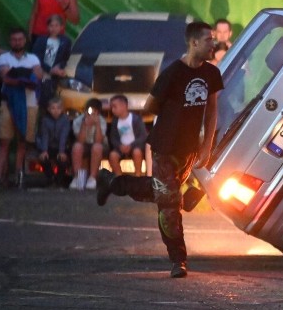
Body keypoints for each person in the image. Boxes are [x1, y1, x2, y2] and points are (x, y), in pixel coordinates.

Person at [95, 21, 223, 278]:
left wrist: (206, 145)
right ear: (194, 43)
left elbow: (211, 111)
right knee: (169, 204)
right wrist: (174, 113)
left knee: (163, 192)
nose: (214, 44)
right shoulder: (172, 73)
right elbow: (149, 107)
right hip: (165, 146)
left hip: (188, 149)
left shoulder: (211, 73)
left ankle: (111, 183)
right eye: (209, 39)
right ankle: (178, 259)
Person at [0, 28, 43, 188]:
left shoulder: (33, 57)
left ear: (24, 41)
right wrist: (26, 76)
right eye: (14, 39)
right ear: (10, 41)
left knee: (23, 142)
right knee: (4, 141)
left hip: (30, 103)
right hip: (8, 103)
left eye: (20, 39)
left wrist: (18, 75)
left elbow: (39, 76)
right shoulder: (3, 57)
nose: (17, 42)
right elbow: (6, 77)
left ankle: (18, 177)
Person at [31, 14, 72, 108]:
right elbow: (36, 57)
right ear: (47, 27)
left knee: (53, 101)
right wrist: (50, 69)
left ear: (61, 27)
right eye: (51, 26)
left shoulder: (65, 41)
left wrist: (59, 67)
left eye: (56, 25)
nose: (54, 28)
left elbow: (66, 58)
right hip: (42, 75)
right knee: (40, 102)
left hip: (55, 77)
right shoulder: (41, 40)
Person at [70, 98, 107, 190]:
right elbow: (80, 141)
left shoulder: (102, 121)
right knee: (77, 147)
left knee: (97, 147)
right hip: (84, 144)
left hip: (99, 145)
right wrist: (84, 125)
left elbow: (99, 140)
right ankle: (77, 177)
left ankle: (92, 178)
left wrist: (97, 124)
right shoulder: (78, 121)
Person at [107, 94, 148, 177]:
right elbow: (113, 138)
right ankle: (119, 177)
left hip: (135, 146)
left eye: (115, 107)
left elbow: (143, 136)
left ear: (124, 106)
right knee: (113, 155)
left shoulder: (136, 119)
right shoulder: (115, 121)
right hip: (121, 147)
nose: (112, 110)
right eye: (112, 107)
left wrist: (131, 145)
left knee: (137, 153)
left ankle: (138, 175)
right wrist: (119, 146)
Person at [36, 97, 71, 188]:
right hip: (49, 146)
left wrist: (61, 151)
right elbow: (44, 136)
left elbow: (64, 136)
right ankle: (50, 178)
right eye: (53, 108)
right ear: (48, 109)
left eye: (58, 108)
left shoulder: (65, 120)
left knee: (63, 159)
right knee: (43, 158)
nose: (56, 111)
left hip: (61, 147)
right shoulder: (45, 120)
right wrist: (44, 150)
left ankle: (59, 180)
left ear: (62, 109)